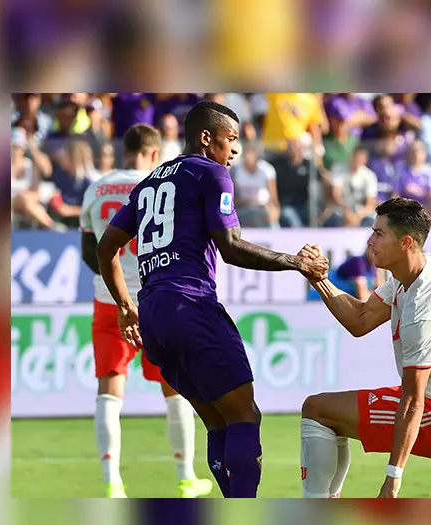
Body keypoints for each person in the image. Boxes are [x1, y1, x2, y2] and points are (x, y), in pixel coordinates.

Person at [95, 101, 329, 498]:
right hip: (191, 306)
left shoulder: (149, 182)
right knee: (244, 416)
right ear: (207, 137)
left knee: (218, 423)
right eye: (231, 139)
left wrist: (124, 306)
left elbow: (106, 248)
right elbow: (231, 247)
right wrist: (295, 263)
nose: (235, 149)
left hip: (153, 316)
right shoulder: (211, 173)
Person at [298, 198, 431, 498]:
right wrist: (319, 280)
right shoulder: (411, 275)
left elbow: (413, 401)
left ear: (406, 243)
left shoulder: (425, 307)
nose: (369, 241)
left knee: (317, 410)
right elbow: (360, 319)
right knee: (323, 412)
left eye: (378, 234)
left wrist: (392, 481)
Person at [79, 124, 213, 499]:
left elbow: (90, 251)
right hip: (159, 299)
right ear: (155, 154)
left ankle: (111, 481)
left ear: (125, 151)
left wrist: (119, 290)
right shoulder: (162, 184)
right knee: (175, 389)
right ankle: (186, 478)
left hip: (109, 301)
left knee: (109, 389)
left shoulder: (97, 188)